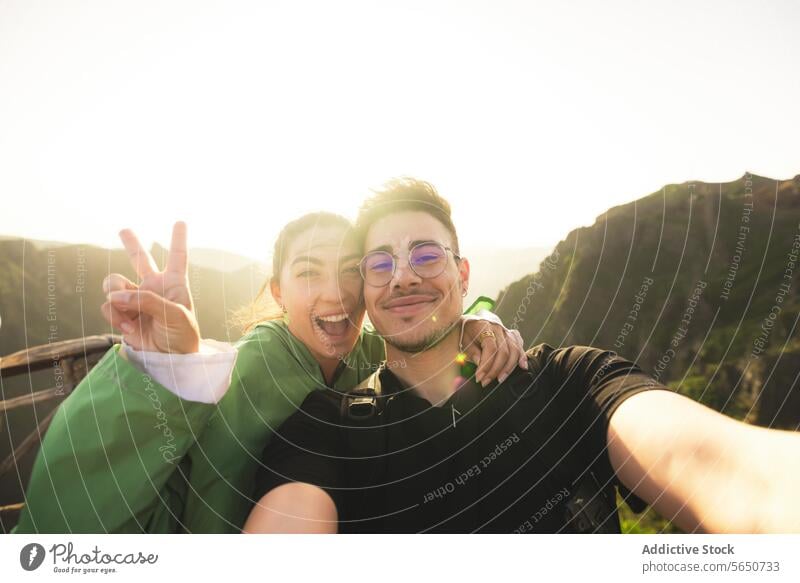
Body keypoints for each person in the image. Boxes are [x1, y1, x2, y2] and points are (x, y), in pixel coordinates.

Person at [245, 178, 800, 534]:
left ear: (463, 275)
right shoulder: (327, 428)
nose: (405, 277)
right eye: (381, 264)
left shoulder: (569, 381)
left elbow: (715, 465)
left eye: (426, 255)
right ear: (365, 290)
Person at [13, 212, 525, 534]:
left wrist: (480, 320)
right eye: (307, 273)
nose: (336, 293)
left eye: (351, 270)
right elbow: (208, 515)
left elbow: (426, 353)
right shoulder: (257, 368)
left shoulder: (359, 353)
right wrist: (162, 364)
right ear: (277, 292)